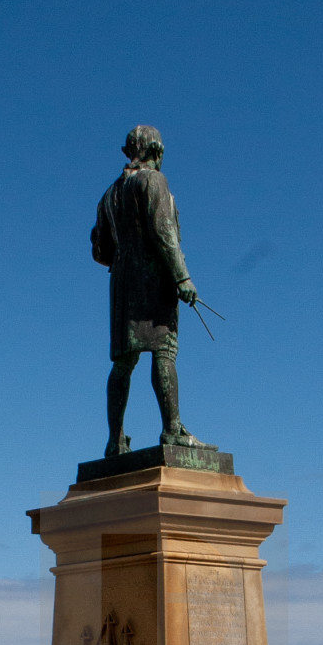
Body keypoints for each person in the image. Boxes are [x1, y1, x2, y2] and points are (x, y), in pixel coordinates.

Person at [91, 125, 202, 458]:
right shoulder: (153, 182)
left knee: (123, 362)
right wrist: (182, 278)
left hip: (121, 282)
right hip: (152, 279)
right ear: (156, 150)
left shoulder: (109, 195)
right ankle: (172, 429)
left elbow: (100, 251)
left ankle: (115, 440)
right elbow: (164, 232)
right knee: (164, 350)